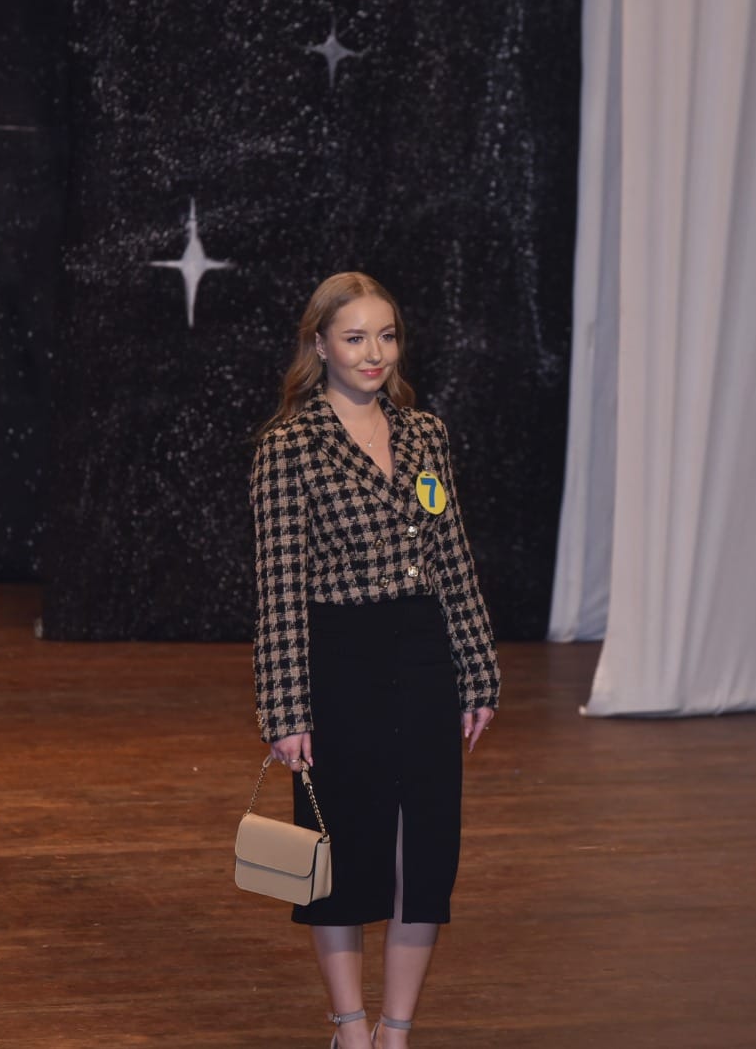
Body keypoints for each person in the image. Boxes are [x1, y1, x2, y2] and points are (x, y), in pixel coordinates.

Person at [250, 271, 500, 1048]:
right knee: (341, 855)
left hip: (424, 656)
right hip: (341, 664)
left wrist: (479, 671)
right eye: (355, 337)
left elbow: (453, 558)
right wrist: (284, 709)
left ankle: (396, 1033)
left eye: (386, 336)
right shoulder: (289, 446)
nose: (374, 353)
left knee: (421, 855)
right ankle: (349, 1029)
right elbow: (279, 588)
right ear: (319, 345)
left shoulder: (426, 434)